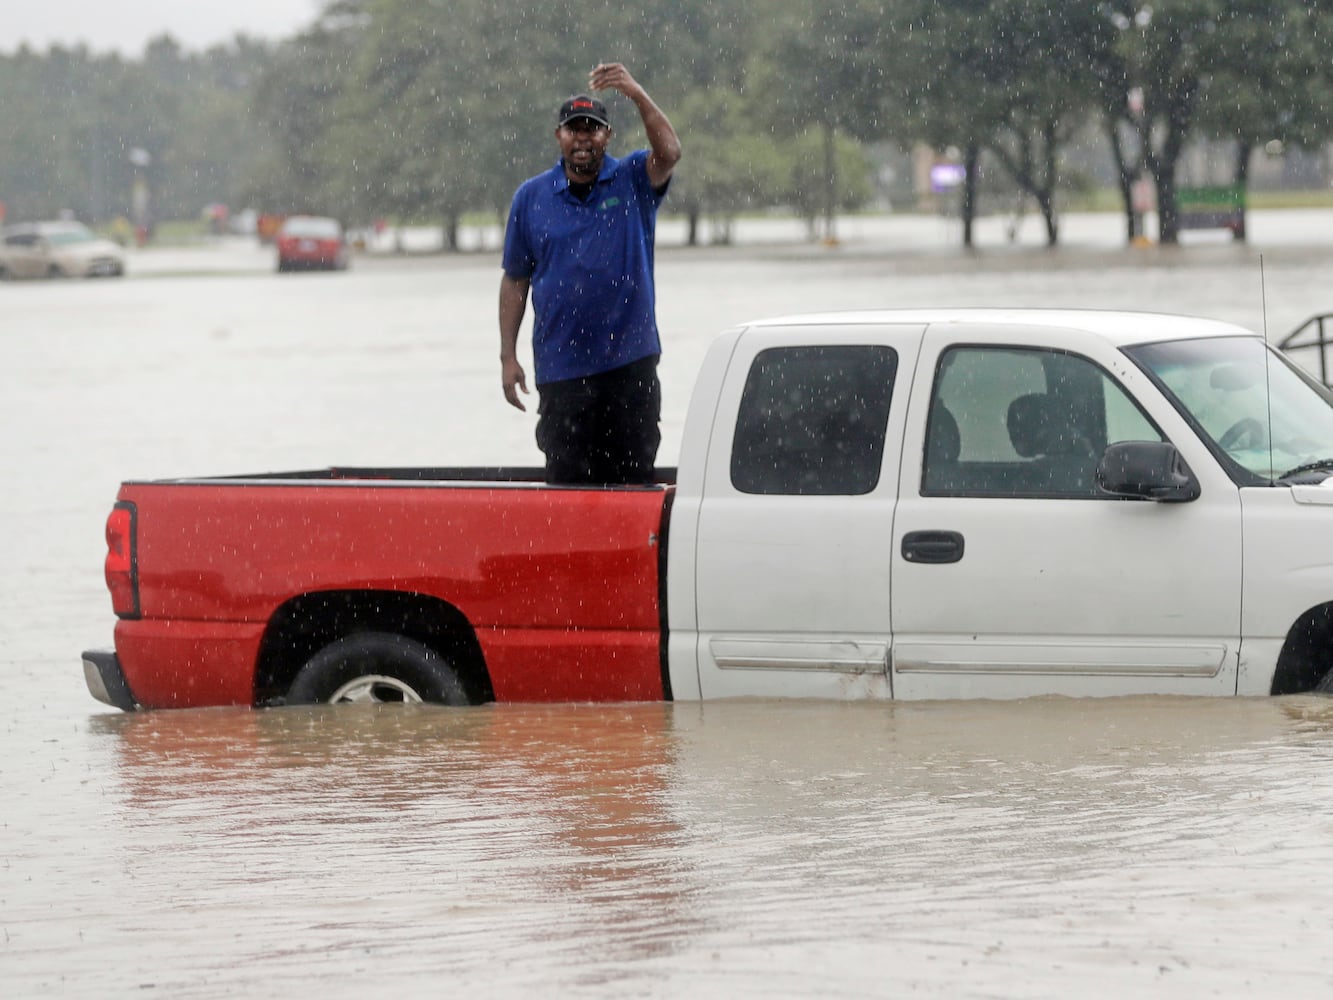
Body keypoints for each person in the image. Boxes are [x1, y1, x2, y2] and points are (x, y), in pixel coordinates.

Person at [499, 63, 682, 485]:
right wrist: (508, 356)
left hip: (629, 362)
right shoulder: (531, 197)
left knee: (633, 477)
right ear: (559, 136)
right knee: (567, 482)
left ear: (607, 136)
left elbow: (670, 153)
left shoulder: (632, 178)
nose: (583, 138)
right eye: (574, 129)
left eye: (593, 129)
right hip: (562, 367)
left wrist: (636, 93)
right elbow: (515, 279)